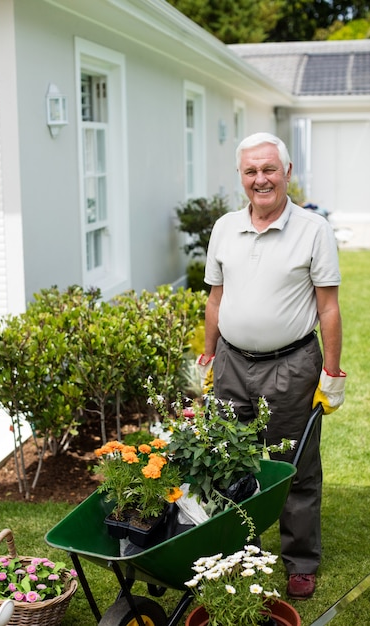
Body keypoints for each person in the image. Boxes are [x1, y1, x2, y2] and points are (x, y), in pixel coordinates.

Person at [198, 132, 346, 600]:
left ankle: (300, 562)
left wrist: (333, 374)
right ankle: (233, 552)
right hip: (231, 365)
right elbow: (216, 298)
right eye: (250, 171)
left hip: (292, 366)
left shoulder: (312, 230)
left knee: (294, 468)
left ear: (286, 173)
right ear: (241, 177)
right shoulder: (224, 227)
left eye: (268, 169)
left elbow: (328, 309)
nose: (260, 179)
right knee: (225, 463)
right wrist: (207, 354)